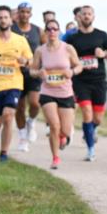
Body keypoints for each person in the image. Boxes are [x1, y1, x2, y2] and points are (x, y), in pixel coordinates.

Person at [0, 5, 33, 163]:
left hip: (13, 84)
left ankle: (4, 153)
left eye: (5, 17)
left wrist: (26, 61)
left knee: (9, 115)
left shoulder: (20, 41)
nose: (3, 20)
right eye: (0, 17)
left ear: (11, 19)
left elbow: (30, 60)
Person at [32, 19, 83, 169]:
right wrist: (39, 72)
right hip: (47, 92)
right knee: (54, 125)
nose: (52, 31)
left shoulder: (68, 48)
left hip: (65, 93)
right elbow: (32, 70)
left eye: (55, 29)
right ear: (46, 32)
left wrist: (72, 71)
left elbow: (79, 65)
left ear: (59, 31)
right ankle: (55, 158)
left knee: (65, 130)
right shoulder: (40, 50)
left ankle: (63, 137)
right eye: (49, 29)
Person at [66, 5, 107, 161]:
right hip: (80, 81)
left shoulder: (101, 35)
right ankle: (90, 148)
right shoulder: (72, 38)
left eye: (89, 14)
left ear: (93, 16)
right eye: (83, 14)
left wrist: (104, 54)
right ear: (78, 17)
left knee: (98, 118)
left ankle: (90, 131)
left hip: (99, 80)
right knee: (87, 112)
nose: (86, 16)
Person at [11, 1, 42, 151]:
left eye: (27, 12)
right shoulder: (11, 29)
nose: (24, 14)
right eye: (21, 11)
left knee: (35, 104)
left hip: (33, 72)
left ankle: (32, 121)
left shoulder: (37, 30)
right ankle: (23, 137)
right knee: (19, 107)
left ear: (31, 14)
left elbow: (45, 48)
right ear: (18, 13)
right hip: (16, 73)